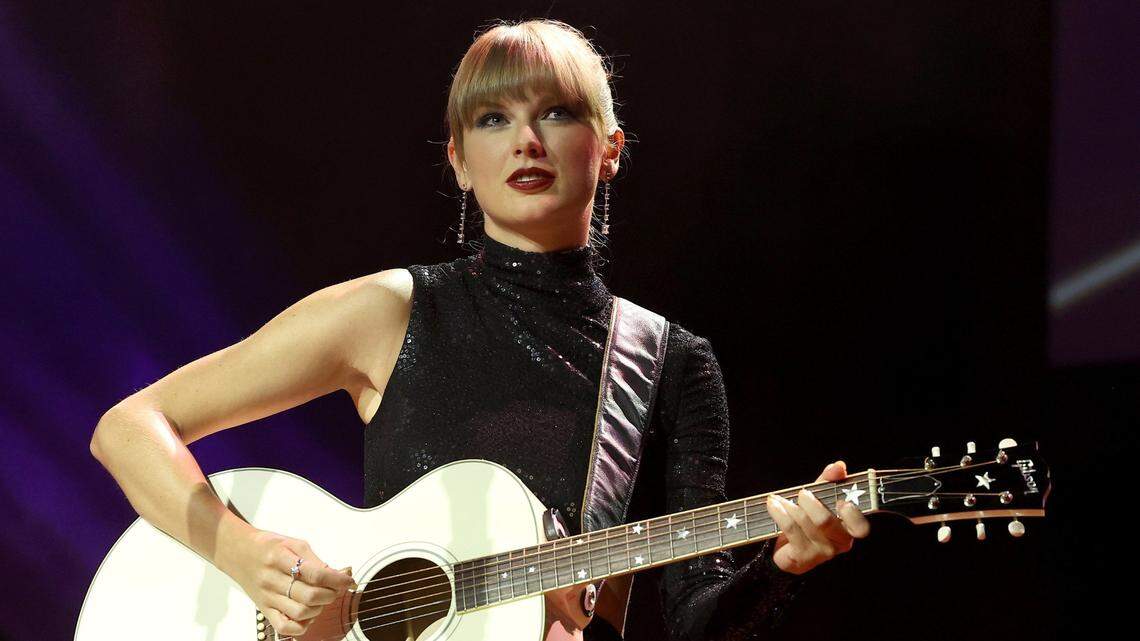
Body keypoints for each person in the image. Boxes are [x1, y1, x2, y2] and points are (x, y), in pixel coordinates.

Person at [90, 18, 869, 641]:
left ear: (609, 150)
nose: (526, 141)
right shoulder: (391, 312)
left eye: (556, 112)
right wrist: (249, 557)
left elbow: (698, 617)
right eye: (495, 118)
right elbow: (129, 427)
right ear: (460, 160)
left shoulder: (670, 363)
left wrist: (784, 565)